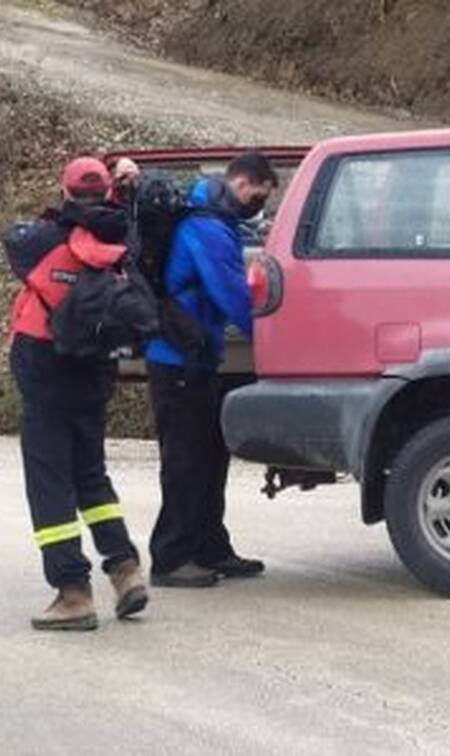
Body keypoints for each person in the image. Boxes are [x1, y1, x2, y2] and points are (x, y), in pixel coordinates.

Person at [7, 157, 149, 631]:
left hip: (46, 366)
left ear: (65, 192)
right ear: (108, 192)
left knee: (49, 481)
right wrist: (120, 197)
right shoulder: (122, 239)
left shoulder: (43, 241)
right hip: (95, 370)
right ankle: (125, 570)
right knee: (90, 474)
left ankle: (72, 592)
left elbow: (14, 239)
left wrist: (65, 212)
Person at [146, 152, 279, 588]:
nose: (258, 205)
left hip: (196, 357)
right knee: (185, 461)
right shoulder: (207, 228)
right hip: (177, 361)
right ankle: (170, 558)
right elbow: (232, 295)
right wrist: (276, 340)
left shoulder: (215, 221)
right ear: (242, 184)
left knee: (208, 457)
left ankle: (210, 548)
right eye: (258, 196)